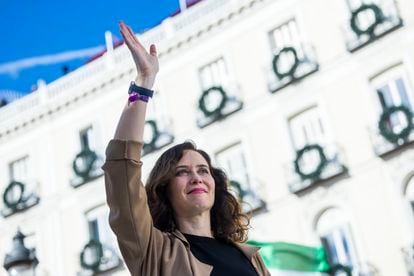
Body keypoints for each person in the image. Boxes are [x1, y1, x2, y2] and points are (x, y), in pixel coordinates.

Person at [102, 21, 270, 276]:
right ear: (164, 189)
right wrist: (144, 84)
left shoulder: (248, 256)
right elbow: (122, 171)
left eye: (204, 170)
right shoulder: (154, 251)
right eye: (182, 172)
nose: (196, 177)